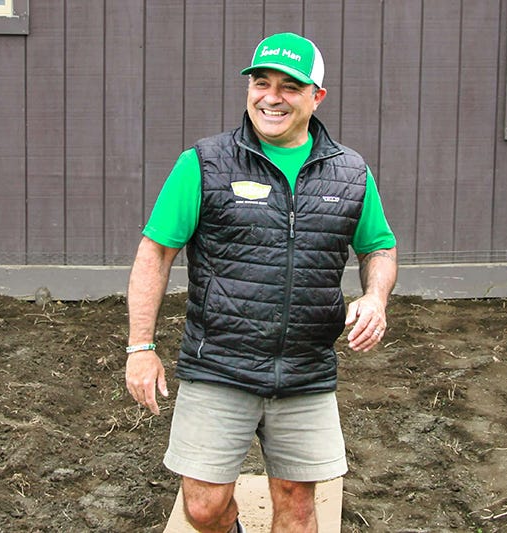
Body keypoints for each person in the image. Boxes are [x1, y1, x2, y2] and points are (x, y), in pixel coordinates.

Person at [125, 32, 397, 533]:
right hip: (220, 363)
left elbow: (378, 246)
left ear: (317, 97)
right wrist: (140, 346)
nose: (271, 97)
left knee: (296, 503)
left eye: (290, 87)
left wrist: (375, 296)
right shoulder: (205, 164)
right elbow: (156, 251)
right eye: (261, 82)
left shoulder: (349, 172)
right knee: (204, 507)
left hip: (305, 371)